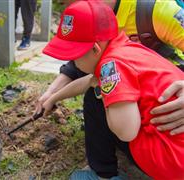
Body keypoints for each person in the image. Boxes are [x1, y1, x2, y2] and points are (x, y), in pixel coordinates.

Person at [35, 0, 184, 178]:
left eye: (74, 55)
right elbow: (89, 81)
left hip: (172, 161)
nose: (73, 62)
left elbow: (126, 132)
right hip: (177, 143)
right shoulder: (123, 46)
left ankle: (103, 175)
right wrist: (53, 97)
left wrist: (108, 97)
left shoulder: (110, 67)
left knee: (96, 99)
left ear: (95, 49)